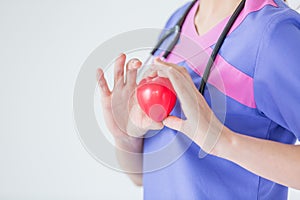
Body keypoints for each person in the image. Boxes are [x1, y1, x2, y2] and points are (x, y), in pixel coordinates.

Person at [97, 0, 300, 199]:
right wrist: (124, 135)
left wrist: (224, 141)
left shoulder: (273, 35)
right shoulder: (179, 19)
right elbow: (141, 176)